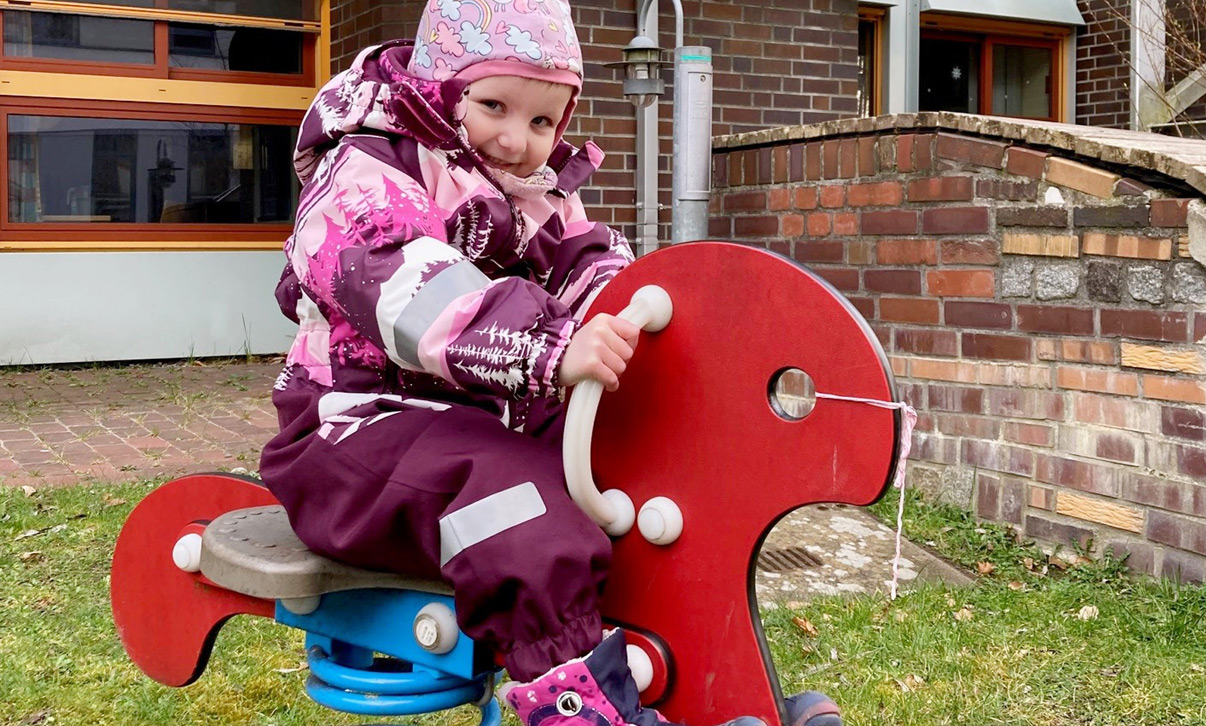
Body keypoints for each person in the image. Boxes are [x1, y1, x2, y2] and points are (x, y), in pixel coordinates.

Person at [260, 2, 841, 726]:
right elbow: (404, 284)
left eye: (542, 122)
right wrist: (547, 345)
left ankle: (700, 690)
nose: (516, 140)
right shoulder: (365, 172)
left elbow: (591, 268)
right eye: (494, 105)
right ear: (439, 92)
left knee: (623, 469)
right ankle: (574, 706)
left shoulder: (535, 195)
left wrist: (638, 319)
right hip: (347, 433)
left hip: (469, 423)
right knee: (516, 498)